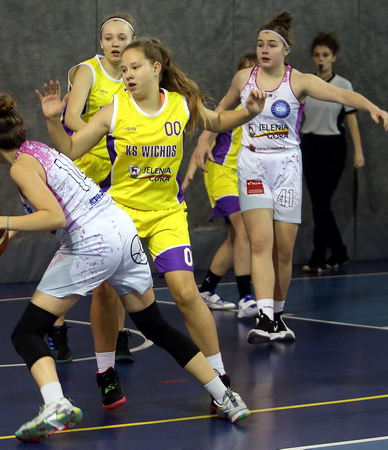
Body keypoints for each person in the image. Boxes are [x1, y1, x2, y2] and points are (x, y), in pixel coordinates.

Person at [0, 93, 251, 442]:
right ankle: (225, 396)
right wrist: (9, 229)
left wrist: (0, 222)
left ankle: (56, 404)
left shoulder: (19, 167)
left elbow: (53, 216)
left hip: (92, 242)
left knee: (26, 333)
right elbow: (59, 202)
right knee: (155, 325)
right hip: (120, 228)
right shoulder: (37, 150)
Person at [37, 37, 266, 409]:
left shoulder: (181, 104)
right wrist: (52, 121)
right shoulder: (114, 110)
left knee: (185, 293)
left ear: (155, 68)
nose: (127, 74)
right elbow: (71, 148)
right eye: (124, 69)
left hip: (166, 213)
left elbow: (220, 120)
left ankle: (219, 377)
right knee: (106, 292)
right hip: (120, 213)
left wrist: (249, 112)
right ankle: (106, 372)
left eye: (134, 67)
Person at [194, 11, 388, 345]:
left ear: (286, 50)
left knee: (283, 251)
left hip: (286, 165)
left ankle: (278, 315)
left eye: (271, 44)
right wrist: (203, 140)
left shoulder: (299, 81)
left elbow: (342, 96)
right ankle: (264, 317)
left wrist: (373, 107)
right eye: (260, 44)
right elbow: (221, 112)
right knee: (261, 242)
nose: (264, 49)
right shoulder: (244, 78)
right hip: (253, 165)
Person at [51, 13, 137, 368]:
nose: (115, 43)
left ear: (131, 42)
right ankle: (56, 328)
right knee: (76, 253)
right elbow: (71, 118)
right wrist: (104, 130)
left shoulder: (136, 74)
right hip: (86, 171)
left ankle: (119, 336)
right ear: (101, 42)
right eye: (109, 37)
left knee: (117, 255)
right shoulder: (89, 71)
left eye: (122, 38)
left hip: (119, 174)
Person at [183, 53, 258, 316]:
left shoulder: (261, 109)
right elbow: (203, 141)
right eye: (245, 72)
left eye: (255, 71)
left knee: (235, 238)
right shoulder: (228, 110)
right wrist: (188, 176)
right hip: (221, 176)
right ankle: (246, 297)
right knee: (243, 231)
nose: (250, 77)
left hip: (243, 177)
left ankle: (206, 290)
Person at [300, 32, 363, 273]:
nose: (321, 59)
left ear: (333, 57)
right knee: (319, 203)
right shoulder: (306, 84)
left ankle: (318, 256)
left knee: (321, 201)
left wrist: (358, 152)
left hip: (333, 147)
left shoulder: (343, 85)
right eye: (317, 55)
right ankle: (339, 251)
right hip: (309, 145)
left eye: (325, 55)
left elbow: (352, 119)